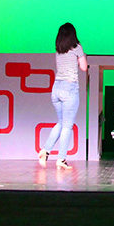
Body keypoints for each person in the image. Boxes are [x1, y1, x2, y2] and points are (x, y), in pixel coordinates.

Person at [38, 23, 87, 170]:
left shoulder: (58, 50)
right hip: (69, 88)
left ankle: (45, 151)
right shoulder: (76, 47)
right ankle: (61, 158)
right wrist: (83, 54)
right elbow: (84, 67)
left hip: (56, 88)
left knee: (60, 123)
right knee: (67, 126)